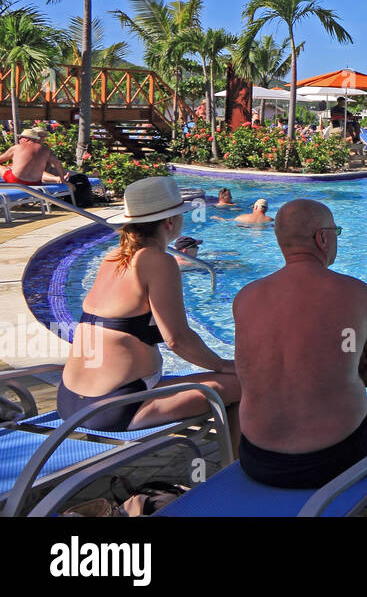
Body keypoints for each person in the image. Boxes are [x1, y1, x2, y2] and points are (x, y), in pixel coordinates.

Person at [233, 199, 367, 487]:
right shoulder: (356, 293)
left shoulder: (246, 297)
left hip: (256, 458)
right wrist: (337, 372)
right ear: (322, 238)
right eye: (335, 231)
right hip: (332, 461)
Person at [56, 177, 240, 432]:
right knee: (244, 384)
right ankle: (236, 468)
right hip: (116, 406)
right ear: (170, 221)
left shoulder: (111, 259)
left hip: (69, 401)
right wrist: (225, 365)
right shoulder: (157, 262)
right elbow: (178, 340)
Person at [0, 126, 69, 184]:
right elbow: (58, 164)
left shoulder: (16, 147)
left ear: (27, 138)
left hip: (15, 181)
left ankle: (56, 179)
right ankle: (58, 179)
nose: (19, 139)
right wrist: (62, 179)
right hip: (35, 183)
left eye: (21, 137)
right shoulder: (46, 149)